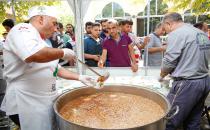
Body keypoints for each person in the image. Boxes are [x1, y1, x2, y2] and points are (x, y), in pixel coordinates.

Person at [0, 6, 96, 130]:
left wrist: (79, 77)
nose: (56, 28)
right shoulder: (22, 29)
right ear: (40, 19)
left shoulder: (42, 41)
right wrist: (62, 52)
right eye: (54, 23)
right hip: (27, 101)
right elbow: (32, 54)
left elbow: (55, 68)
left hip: (43, 99)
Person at [159, 12, 210, 130]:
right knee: (193, 121)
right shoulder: (200, 33)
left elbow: (169, 61)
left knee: (168, 120)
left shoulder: (177, 34)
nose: (166, 31)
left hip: (187, 84)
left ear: (169, 23)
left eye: (165, 28)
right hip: (204, 81)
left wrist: (162, 74)